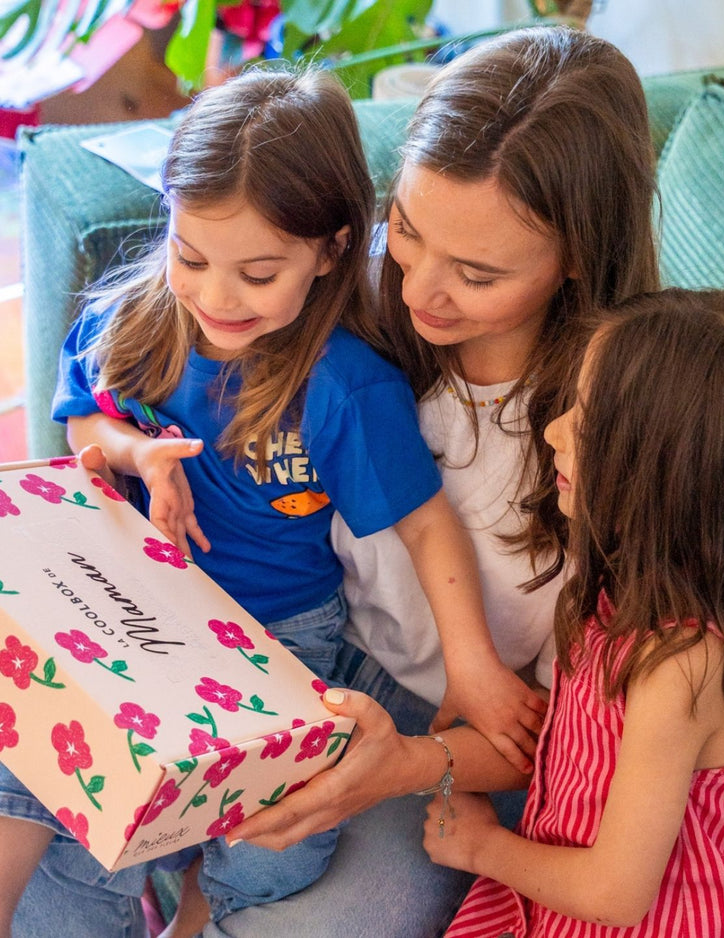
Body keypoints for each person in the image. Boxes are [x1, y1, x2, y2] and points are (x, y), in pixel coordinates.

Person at [0, 65, 520, 938]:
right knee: (62, 815)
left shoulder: (345, 388)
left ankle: (204, 905)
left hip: (279, 638)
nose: (214, 297)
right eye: (192, 257)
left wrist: (473, 669)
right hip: (138, 603)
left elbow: (428, 526)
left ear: (329, 251)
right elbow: (86, 418)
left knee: (276, 848)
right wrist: (138, 453)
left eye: (257, 272)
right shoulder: (137, 316)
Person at [203, 24, 661, 938]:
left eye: (479, 273)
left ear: (576, 257)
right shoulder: (347, 300)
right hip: (313, 654)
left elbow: (556, 740)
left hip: (472, 741)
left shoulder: (614, 423)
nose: (420, 291)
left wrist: (407, 765)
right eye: (407, 229)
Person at [426, 287, 724, 936]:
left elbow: (615, 894)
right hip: (552, 887)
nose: (553, 431)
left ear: (667, 470)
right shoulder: (620, 588)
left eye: (586, 416)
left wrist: (479, 847)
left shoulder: (682, 662)